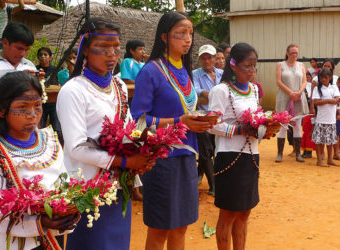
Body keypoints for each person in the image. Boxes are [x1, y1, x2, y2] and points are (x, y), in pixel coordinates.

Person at [56, 17, 153, 250]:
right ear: (85, 49)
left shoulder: (119, 86)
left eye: (116, 48)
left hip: (119, 185)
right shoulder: (73, 90)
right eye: (104, 47)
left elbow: (129, 129)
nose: (112, 54)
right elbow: (76, 148)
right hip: (88, 188)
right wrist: (126, 160)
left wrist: (144, 151)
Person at [130, 11, 213, 250]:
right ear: (164, 37)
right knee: (160, 228)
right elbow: (139, 121)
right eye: (181, 34)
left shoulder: (184, 71)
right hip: (161, 159)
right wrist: (181, 121)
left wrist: (203, 121)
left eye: (190, 34)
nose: (187, 39)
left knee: (181, 225)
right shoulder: (151, 71)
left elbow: (187, 112)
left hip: (187, 156)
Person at [0, 71, 80, 250]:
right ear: (1, 110)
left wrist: (69, 211)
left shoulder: (49, 140)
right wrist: (39, 222)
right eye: (22, 107)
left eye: (37, 105)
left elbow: (63, 183)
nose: (32, 114)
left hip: (50, 236)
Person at [208, 42, 259, 250]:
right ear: (233, 65)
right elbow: (211, 126)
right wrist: (239, 130)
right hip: (229, 158)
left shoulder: (254, 90)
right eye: (247, 66)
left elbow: (257, 119)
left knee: (245, 212)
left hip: (251, 156)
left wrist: (265, 128)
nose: (252, 71)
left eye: (255, 66)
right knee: (228, 213)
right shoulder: (221, 91)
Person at [193, 44, 223, 196]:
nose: (206, 61)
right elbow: (196, 92)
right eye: (203, 58)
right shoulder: (195, 74)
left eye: (209, 58)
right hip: (203, 117)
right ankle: (214, 185)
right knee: (205, 152)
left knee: (217, 150)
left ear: (214, 59)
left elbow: (227, 90)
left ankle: (210, 179)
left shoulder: (221, 74)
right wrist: (208, 93)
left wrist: (211, 95)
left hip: (220, 118)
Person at [275, 44, 309, 162]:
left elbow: (304, 81)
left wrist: (299, 92)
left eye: (296, 53)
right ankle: (280, 154)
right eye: (292, 53)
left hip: (298, 99)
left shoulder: (301, 65)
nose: (294, 55)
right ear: (287, 53)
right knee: (283, 126)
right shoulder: (280, 65)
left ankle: (298, 153)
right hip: (284, 98)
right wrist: (291, 93)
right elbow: (279, 82)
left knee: (298, 126)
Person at [312, 68, 340, 167]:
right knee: (319, 141)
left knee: (330, 141)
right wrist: (329, 100)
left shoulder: (334, 88)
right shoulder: (317, 89)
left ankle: (330, 159)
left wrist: (333, 100)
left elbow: (338, 99)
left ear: (330, 78)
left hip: (331, 120)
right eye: (321, 77)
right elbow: (316, 102)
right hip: (321, 119)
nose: (323, 79)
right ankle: (319, 160)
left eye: (326, 77)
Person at [36, 47, 61, 136]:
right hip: (40, 102)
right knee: (40, 128)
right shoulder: (35, 70)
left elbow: (61, 83)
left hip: (54, 102)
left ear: (50, 57)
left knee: (56, 128)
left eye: (45, 54)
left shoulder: (56, 69)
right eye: (40, 55)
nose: (43, 56)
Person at [301, 71, 315, 158]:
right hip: (305, 115)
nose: (308, 77)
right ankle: (305, 151)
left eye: (309, 76)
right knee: (305, 135)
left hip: (310, 119)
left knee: (309, 136)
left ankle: (308, 153)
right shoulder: (303, 86)